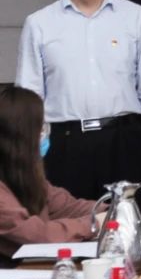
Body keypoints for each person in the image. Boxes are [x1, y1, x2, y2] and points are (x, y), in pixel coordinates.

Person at [15, 0, 141, 212]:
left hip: (124, 142)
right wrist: (30, 156)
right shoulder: (39, 23)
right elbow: (29, 98)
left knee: (130, 228)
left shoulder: (136, 17)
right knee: (67, 228)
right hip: (63, 147)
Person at [0, 86, 101, 260]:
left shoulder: (25, 177)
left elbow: (68, 207)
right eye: (40, 129)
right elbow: (37, 235)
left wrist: (115, 208)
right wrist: (93, 224)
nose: (45, 136)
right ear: (21, 136)